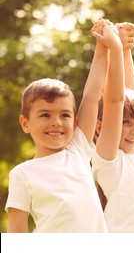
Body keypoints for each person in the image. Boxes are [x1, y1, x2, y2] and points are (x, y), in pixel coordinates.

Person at [3, 22, 122, 232]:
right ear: (25, 123)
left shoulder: (77, 149)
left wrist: (102, 45)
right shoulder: (22, 174)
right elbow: (17, 233)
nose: (56, 122)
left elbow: (92, 95)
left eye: (64, 115)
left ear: (75, 121)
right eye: (45, 115)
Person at [91, 21, 134, 232]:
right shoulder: (109, 162)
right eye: (126, 123)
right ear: (100, 128)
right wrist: (115, 48)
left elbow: (129, 96)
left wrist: (126, 50)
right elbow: (116, 101)